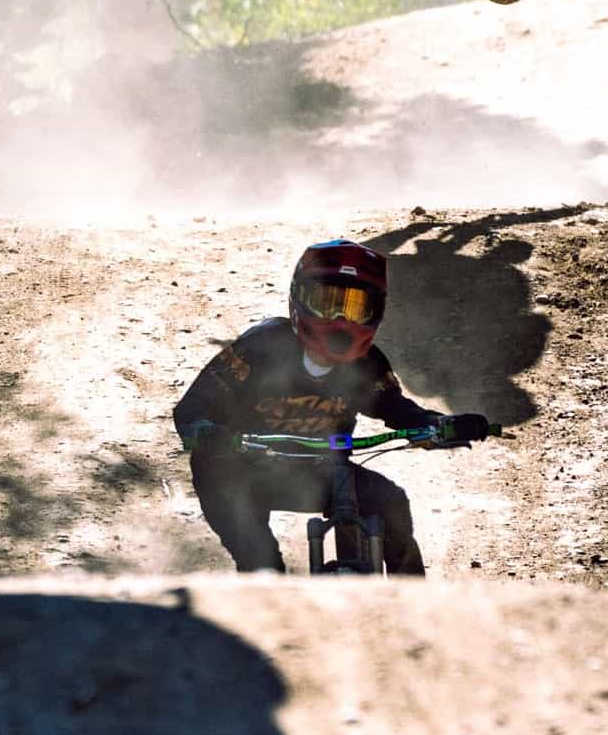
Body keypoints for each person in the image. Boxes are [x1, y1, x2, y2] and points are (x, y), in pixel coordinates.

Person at [173, 238, 490, 575]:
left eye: (355, 308)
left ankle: (410, 605)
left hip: (320, 472)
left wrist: (439, 425)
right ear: (299, 299)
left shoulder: (366, 365)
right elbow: (191, 410)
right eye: (326, 303)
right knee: (261, 564)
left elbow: (396, 409)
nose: (340, 320)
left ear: (376, 312)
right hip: (237, 470)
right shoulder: (259, 348)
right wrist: (209, 435)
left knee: (390, 503)